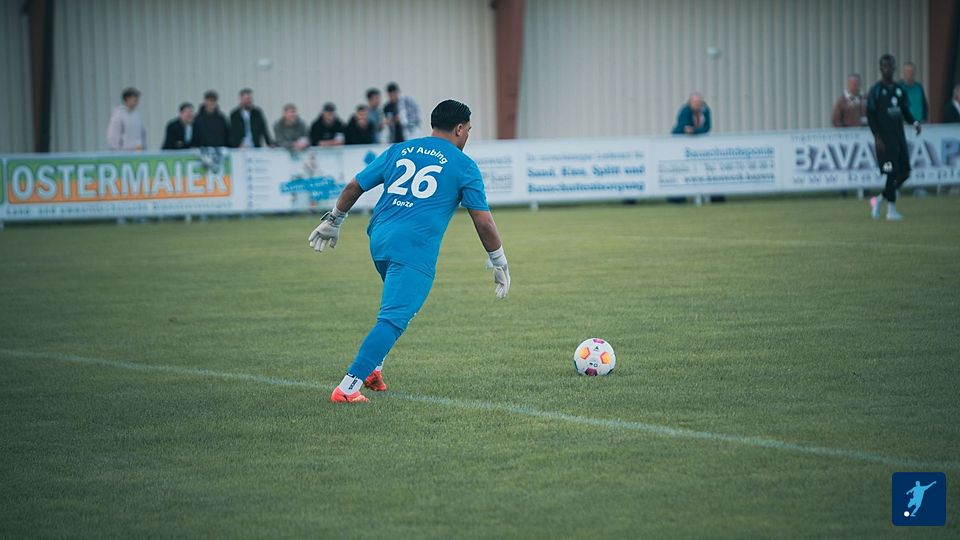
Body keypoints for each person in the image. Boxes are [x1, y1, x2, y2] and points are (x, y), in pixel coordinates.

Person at [307, 99, 510, 403]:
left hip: (379, 240)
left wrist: (334, 220)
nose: (467, 135)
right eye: (468, 130)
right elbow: (483, 221)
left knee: (397, 308)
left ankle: (374, 370)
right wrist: (499, 261)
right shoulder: (464, 165)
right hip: (414, 248)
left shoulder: (400, 149)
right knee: (393, 319)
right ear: (459, 129)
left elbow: (354, 186)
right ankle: (347, 389)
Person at [867, 54, 921, 221]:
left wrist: (914, 122)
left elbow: (904, 110)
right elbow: (870, 115)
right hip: (885, 140)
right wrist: (877, 136)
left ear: (894, 68)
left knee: (905, 173)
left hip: (899, 138)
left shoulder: (899, 89)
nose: (887, 69)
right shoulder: (876, 90)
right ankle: (891, 211)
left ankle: (879, 199)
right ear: (880, 68)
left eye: (890, 66)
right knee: (892, 173)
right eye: (884, 66)